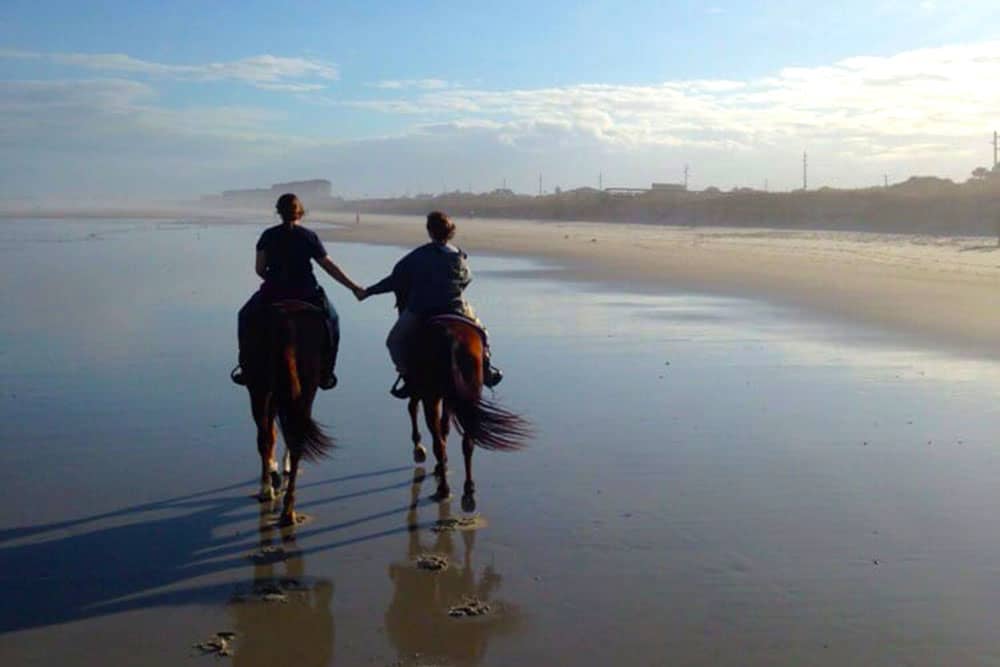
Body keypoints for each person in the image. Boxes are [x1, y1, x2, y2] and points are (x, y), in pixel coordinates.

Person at [360, 211, 503, 398]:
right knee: (482, 332)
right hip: (456, 307)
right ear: (450, 232)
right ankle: (486, 368)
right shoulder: (459, 256)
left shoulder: (418, 255)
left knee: (393, 342)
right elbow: (467, 279)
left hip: (422, 309)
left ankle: (407, 377)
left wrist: (368, 291)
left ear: (429, 231)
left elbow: (395, 281)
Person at [231, 193, 365, 389]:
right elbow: (328, 265)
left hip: (273, 293)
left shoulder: (268, 235)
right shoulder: (309, 236)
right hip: (306, 294)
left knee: (244, 316)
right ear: (300, 212)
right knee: (333, 320)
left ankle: (245, 366)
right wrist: (353, 287)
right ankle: (327, 372)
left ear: (279, 212)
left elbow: (259, 269)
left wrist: (275, 280)